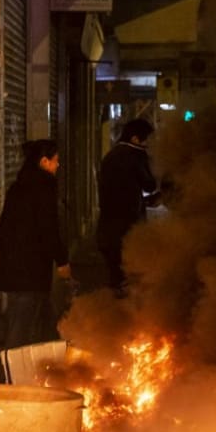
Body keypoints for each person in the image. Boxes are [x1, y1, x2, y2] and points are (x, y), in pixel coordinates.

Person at [0, 139, 71, 350]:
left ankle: (25, 369)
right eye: (55, 161)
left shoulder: (18, 187)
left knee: (24, 319)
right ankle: (11, 375)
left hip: (15, 266)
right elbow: (49, 230)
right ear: (44, 161)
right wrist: (62, 260)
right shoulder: (43, 190)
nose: (58, 165)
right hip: (30, 268)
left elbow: (3, 229)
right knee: (21, 324)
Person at [95, 118, 157, 298]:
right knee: (131, 282)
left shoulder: (111, 156)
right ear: (136, 139)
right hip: (127, 230)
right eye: (147, 140)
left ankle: (113, 319)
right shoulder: (134, 156)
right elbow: (149, 185)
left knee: (116, 280)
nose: (148, 144)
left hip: (107, 229)